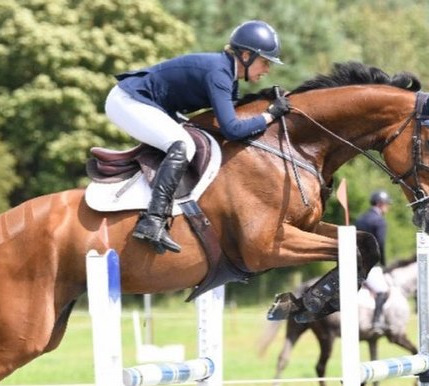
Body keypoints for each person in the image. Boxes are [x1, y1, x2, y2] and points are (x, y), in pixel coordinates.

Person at [104, 20, 290, 254]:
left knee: (187, 141)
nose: (267, 69)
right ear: (245, 55)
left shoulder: (227, 76)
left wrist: (263, 101)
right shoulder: (219, 73)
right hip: (127, 101)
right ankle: (152, 220)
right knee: (183, 145)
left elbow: (228, 120)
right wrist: (268, 116)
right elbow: (232, 129)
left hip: (150, 105)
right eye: (265, 62)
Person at [355, 190, 393, 333]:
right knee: (383, 291)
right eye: (386, 204)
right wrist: (383, 261)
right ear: (380, 204)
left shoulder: (360, 219)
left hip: (355, 261)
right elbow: (380, 243)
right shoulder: (380, 221)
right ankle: (376, 322)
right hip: (370, 264)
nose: (388, 207)